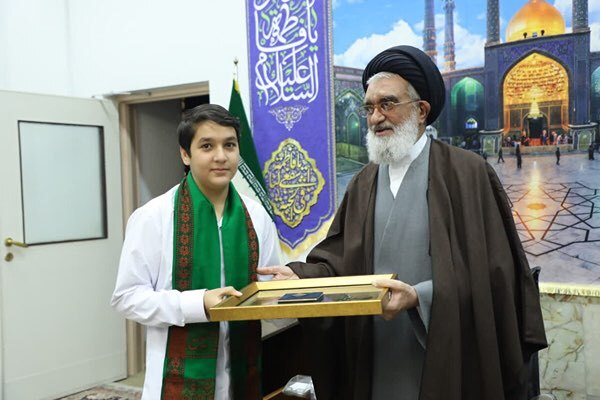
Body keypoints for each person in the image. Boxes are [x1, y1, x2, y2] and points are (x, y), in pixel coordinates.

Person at [259, 45, 547, 400]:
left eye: (387, 104)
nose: (375, 117)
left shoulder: (467, 173)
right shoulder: (363, 183)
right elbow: (339, 260)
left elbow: (496, 276)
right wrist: (301, 276)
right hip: (376, 351)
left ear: (421, 110)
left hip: (448, 351)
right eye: (369, 108)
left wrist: (421, 297)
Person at [111, 104, 280, 400]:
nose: (221, 156)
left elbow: (268, 292)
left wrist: (289, 292)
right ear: (185, 154)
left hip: (242, 377)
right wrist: (197, 303)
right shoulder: (154, 216)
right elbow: (127, 298)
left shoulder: (257, 217)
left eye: (229, 145)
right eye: (207, 146)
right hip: (175, 383)